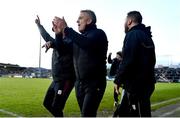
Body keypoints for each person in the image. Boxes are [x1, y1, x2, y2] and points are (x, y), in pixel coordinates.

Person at [52, 10, 108, 117]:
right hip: (80, 84)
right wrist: (58, 34)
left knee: (87, 115)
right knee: (86, 114)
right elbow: (62, 50)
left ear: (89, 21)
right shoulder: (78, 39)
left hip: (94, 83)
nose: (77, 21)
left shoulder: (98, 33)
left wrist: (66, 29)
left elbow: (86, 43)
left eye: (81, 18)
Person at [114, 11, 156, 117]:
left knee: (136, 113)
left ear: (129, 21)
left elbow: (128, 60)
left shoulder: (133, 34)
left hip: (136, 86)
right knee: (129, 112)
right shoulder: (147, 36)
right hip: (146, 84)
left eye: (125, 21)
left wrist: (118, 80)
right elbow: (152, 60)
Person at [35, 16, 75, 117]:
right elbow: (46, 36)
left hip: (66, 81)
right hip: (56, 80)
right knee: (47, 103)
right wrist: (39, 25)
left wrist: (52, 43)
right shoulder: (58, 40)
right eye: (53, 27)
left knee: (57, 107)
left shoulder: (71, 39)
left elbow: (61, 47)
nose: (53, 28)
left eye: (56, 25)